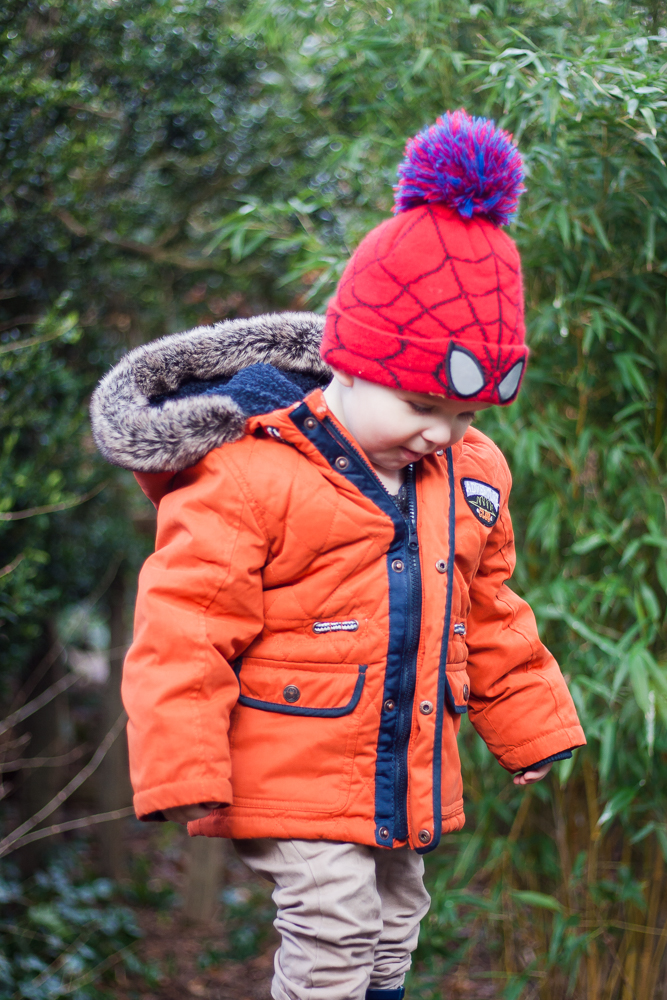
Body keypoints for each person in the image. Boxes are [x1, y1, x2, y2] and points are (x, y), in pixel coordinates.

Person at [91, 110, 585, 1000]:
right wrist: (183, 766)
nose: (441, 432)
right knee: (335, 927)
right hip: (292, 755)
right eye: (420, 406)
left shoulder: (468, 473)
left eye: (464, 415)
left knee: (395, 927)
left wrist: (530, 726)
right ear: (350, 366)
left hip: (401, 767)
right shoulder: (253, 473)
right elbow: (183, 624)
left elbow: (491, 612)